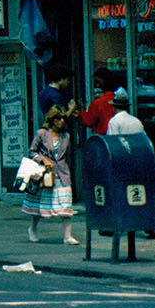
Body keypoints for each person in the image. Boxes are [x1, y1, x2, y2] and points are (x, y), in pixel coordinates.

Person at [23, 106, 79, 245]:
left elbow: (68, 156)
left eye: (63, 118)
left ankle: (67, 236)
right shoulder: (42, 133)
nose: (61, 121)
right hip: (45, 175)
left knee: (66, 205)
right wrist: (43, 159)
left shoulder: (66, 136)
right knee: (40, 205)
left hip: (62, 174)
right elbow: (32, 151)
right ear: (52, 120)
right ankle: (32, 228)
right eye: (58, 118)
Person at [76, 68, 121, 136]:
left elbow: (89, 122)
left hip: (103, 137)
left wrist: (82, 111)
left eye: (96, 82)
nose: (96, 85)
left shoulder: (97, 103)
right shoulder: (119, 100)